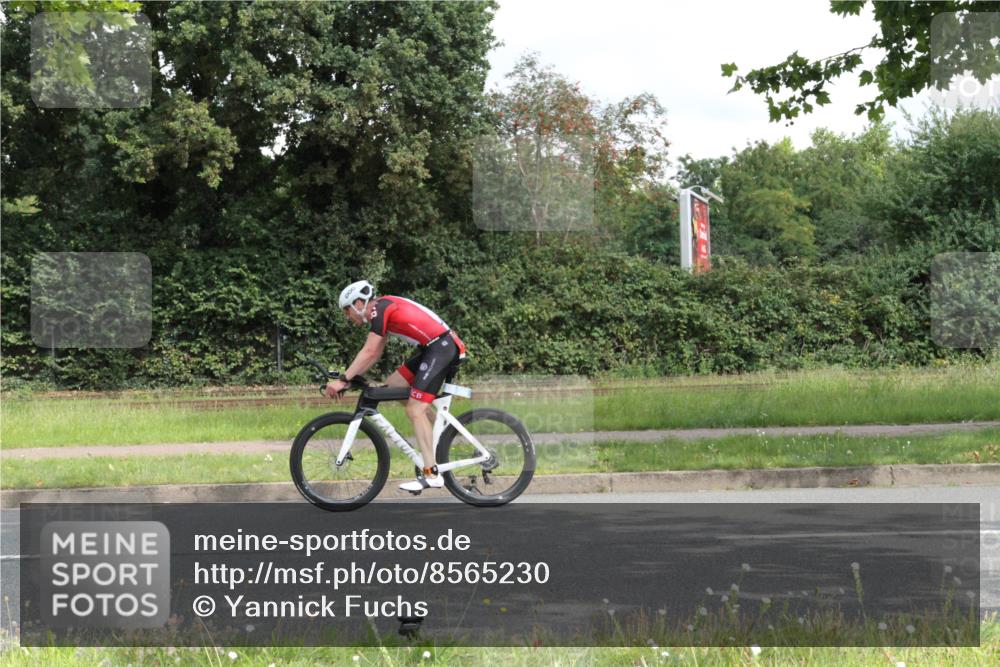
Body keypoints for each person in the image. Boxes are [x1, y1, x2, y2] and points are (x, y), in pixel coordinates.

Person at [325, 280, 466, 492]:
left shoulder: (380, 308)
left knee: (414, 409)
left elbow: (370, 351)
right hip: (433, 348)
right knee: (393, 386)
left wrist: (344, 379)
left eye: (347, 310)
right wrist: (351, 377)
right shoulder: (381, 310)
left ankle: (431, 474)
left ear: (359, 303)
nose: (347, 316)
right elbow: (375, 352)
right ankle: (440, 434)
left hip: (441, 347)